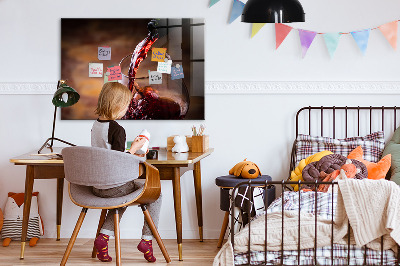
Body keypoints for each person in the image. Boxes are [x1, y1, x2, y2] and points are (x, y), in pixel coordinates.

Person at [91, 82, 162, 262]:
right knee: (156, 193)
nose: (127, 109)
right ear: (117, 105)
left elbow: (108, 153)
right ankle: (147, 240)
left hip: (97, 186)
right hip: (114, 186)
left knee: (121, 198)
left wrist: (132, 149)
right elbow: (119, 161)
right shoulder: (117, 129)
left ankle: (103, 238)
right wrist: (135, 149)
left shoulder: (96, 125)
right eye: (126, 105)